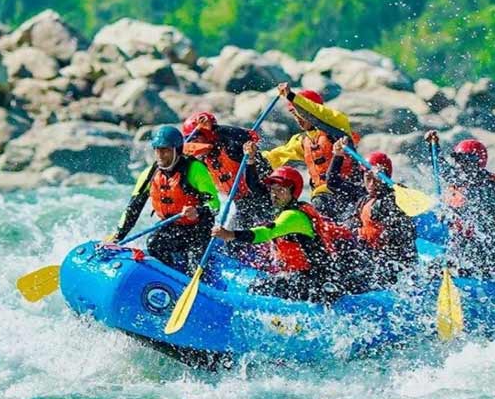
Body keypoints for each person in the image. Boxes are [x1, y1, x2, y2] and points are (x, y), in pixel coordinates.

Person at [210, 166, 355, 301]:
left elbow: (266, 232)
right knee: (261, 285)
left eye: (281, 190)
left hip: (315, 282)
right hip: (301, 277)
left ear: (293, 192)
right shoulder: (281, 211)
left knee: (259, 289)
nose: (274, 194)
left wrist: (231, 234)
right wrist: (250, 162)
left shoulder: (293, 216)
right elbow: (253, 186)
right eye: (273, 189)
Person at [110, 126, 220, 275]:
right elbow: (132, 209)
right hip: (171, 227)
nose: (160, 155)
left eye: (165, 150)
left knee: (196, 266)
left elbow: (215, 206)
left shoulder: (195, 170)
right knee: (154, 243)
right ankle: (170, 277)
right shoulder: (149, 174)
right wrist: (117, 237)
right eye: (157, 150)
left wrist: (198, 211)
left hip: (199, 229)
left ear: (177, 150)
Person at [251, 83, 362, 220]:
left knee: (321, 204)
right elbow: (274, 157)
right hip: (323, 197)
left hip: (349, 190)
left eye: (299, 112)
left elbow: (316, 112)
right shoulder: (301, 141)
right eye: (293, 113)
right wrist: (251, 156)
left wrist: (291, 96)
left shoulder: (338, 124)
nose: (297, 117)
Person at [328, 138, 417, 287]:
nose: (371, 184)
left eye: (376, 179)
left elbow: (401, 229)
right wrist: (337, 156)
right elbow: (332, 182)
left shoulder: (395, 198)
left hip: (395, 267)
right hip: (371, 259)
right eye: (367, 178)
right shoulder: (364, 197)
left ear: (385, 177)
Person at [425, 131, 495, 278]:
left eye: (464, 161)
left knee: (448, 269)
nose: (459, 165)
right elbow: (441, 169)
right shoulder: (462, 178)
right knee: (430, 269)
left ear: (477, 162)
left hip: (489, 256)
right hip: (464, 251)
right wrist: (433, 145)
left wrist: (450, 214)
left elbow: (481, 220)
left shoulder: (490, 188)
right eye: (457, 160)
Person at [181, 109, 273, 225]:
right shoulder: (203, 159)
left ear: (208, 134)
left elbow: (251, 136)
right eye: (191, 140)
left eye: (196, 138)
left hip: (264, 197)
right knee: (231, 238)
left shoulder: (231, 147)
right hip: (242, 204)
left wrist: (215, 128)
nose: (194, 143)